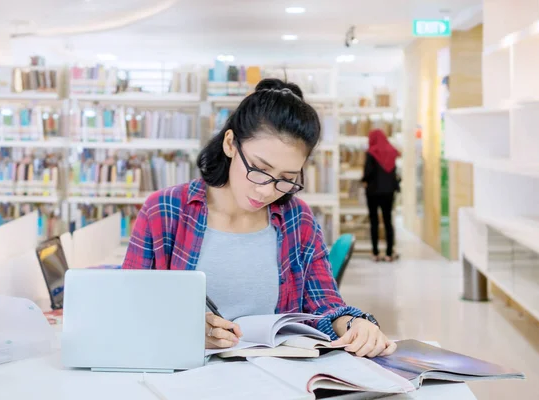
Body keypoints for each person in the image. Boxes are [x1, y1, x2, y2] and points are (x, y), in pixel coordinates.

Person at [122, 78, 396, 358]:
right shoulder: (164, 211)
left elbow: (324, 302)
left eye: (286, 179)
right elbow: (127, 308)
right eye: (259, 169)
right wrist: (183, 329)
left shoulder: (297, 219)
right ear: (230, 144)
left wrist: (354, 324)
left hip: (276, 380)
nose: (266, 190)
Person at [361, 129, 400, 262]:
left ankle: (376, 253)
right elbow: (394, 173)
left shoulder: (371, 153)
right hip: (389, 193)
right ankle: (389, 253)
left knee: (374, 222)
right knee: (388, 221)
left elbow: (368, 173)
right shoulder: (391, 151)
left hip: (373, 192)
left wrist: (363, 180)